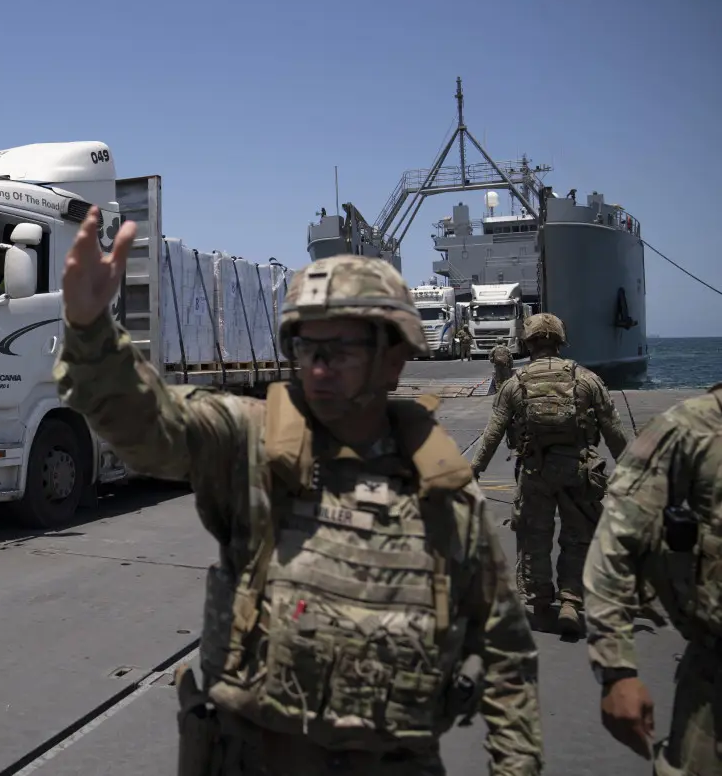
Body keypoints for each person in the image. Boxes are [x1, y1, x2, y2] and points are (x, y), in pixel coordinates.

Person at [54, 206, 542, 775]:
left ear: (394, 356)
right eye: (306, 349)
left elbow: (507, 654)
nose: (318, 368)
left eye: (340, 349)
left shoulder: (443, 491)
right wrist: (91, 332)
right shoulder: (251, 440)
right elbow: (149, 425)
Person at [583, 386, 722, 770]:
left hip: (539, 471)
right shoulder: (692, 428)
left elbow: (499, 425)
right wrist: (616, 671)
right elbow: (616, 545)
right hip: (714, 681)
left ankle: (552, 597)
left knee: (540, 540)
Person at [470, 314, 628, 636]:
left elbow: (492, 433)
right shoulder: (586, 379)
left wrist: (472, 471)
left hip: (534, 472)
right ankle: (570, 601)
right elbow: (614, 432)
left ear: (527, 343)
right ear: (560, 341)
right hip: (581, 472)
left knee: (534, 537)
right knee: (578, 537)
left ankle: (541, 602)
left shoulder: (515, 384)